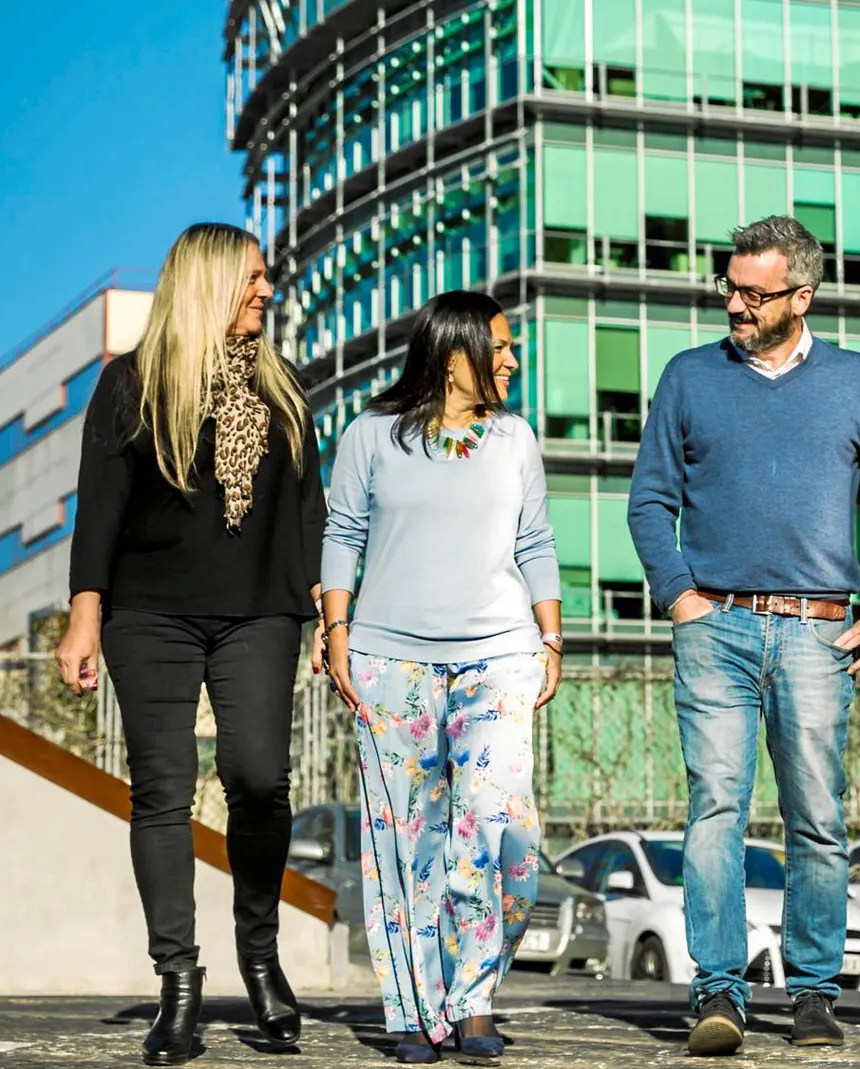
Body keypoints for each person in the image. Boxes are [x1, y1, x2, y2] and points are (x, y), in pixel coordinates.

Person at [56, 222, 322, 1066]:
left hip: (260, 613)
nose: (266, 292)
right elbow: (97, 506)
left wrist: (329, 614)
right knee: (162, 791)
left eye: (267, 280)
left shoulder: (285, 389)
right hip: (150, 614)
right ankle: (178, 982)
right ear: (208, 282)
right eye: (252, 279)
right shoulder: (131, 385)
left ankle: (259, 951)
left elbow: (307, 514)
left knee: (257, 775)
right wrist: (84, 611)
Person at [627, 216, 860, 1056]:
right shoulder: (690, 376)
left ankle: (814, 992)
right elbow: (648, 499)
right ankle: (719, 989)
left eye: (754, 292)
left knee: (817, 816)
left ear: (801, 296)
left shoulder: (857, 381)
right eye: (729, 286)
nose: (735, 303)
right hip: (716, 626)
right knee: (715, 810)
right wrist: (679, 596)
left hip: (819, 632)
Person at [320, 291, 563, 1064]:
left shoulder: (515, 438)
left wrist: (552, 638)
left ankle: (476, 993)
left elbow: (535, 541)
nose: (513, 359)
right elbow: (343, 534)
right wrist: (336, 632)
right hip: (389, 660)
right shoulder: (369, 436)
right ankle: (414, 1008)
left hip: (499, 654)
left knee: (501, 830)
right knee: (404, 840)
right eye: (501, 345)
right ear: (454, 350)